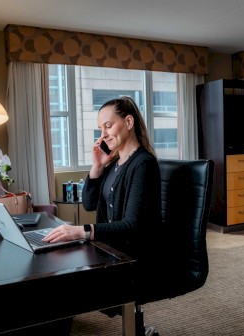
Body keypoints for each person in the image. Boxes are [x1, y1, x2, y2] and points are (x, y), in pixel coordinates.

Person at [42, 96, 163, 320]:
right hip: (109, 247)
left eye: (108, 126)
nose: (103, 134)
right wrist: (97, 166)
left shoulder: (143, 164)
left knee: (62, 284)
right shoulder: (114, 164)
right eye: (100, 128)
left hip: (132, 257)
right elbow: (89, 203)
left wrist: (81, 231)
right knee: (54, 268)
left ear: (128, 122)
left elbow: (132, 225)